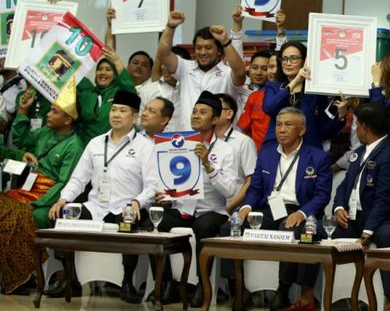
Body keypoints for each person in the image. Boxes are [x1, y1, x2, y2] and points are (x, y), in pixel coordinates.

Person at [49, 90, 157, 304]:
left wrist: (137, 201)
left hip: (125, 207)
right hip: (96, 206)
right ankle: (69, 276)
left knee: (130, 221)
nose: (116, 114)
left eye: (123, 111)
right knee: (63, 218)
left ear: (134, 117)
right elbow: (78, 179)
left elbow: (153, 185)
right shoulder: (96, 143)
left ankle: (127, 282)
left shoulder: (146, 147)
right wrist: (63, 199)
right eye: (114, 109)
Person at [150, 91, 241, 307]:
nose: (196, 116)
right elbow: (168, 182)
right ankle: (167, 283)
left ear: (216, 119)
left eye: (203, 112)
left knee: (204, 227)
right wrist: (165, 196)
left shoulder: (227, 150)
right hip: (183, 208)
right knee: (152, 224)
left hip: (212, 210)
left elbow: (229, 191)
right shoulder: (176, 145)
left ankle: (203, 284)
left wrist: (209, 166)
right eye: (194, 111)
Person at [238, 107, 332, 311]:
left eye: (288, 124)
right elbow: (255, 188)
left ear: (302, 129)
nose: (281, 129)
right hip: (270, 208)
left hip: (299, 209)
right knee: (231, 226)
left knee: (289, 229)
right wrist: (245, 206)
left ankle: (283, 290)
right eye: (279, 124)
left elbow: (322, 195)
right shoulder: (267, 154)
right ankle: (237, 289)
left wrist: (302, 213)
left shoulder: (317, 157)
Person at [0, 80, 83, 293]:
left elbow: (65, 183)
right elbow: (20, 139)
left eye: (54, 112)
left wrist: (37, 203)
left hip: (50, 197)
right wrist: (22, 112)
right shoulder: (46, 133)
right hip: (28, 189)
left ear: (68, 119)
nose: (48, 114)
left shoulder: (74, 146)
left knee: (25, 216)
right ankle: (12, 272)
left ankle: (21, 274)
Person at [332, 103, 390, 311]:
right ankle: (310, 295)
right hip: (352, 218)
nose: (355, 129)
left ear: (363, 127)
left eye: (356, 125)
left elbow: (385, 200)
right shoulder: (359, 152)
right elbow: (344, 185)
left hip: (381, 220)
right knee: (316, 231)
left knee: (386, 236)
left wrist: (366, 233)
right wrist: (338, 208)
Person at [156, 10, 246, 131]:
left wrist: (225, 41)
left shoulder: (227, 73)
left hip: (219, 141)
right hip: (187, 140)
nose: (202, 52)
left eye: (208, 48)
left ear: (219, 51)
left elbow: (240, 72)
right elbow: (163, 54)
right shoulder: (185, 67)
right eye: (198, 48)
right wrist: (170, 26)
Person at [261, 41, 345, 148]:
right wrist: (295, 81)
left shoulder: (315, 90)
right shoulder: (273, 86)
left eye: (294, 58)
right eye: (284, 59)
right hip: (276, 148)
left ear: (304, 61)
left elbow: (323, 131)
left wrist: (341, 115)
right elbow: (270, 108)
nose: (288, 63)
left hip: (308, 151)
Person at [75, 47, 137, 145]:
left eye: (108, 69)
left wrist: (116, 60)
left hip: (113, 145)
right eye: (100, 69)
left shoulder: (120, 93)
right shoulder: (87, 94)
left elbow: (130, 90)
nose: (103, 73)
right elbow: (73, 75)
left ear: (115, 74)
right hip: (87, 147)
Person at [215, 93, 256, 212]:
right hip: (202, 207)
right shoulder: (200, 141)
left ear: (229, 113)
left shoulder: (243, 142)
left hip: (231, 208)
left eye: (215, 108)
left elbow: (251, 180)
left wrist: (229, 207)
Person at [139, 46, 191, 133]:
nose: (165, 68)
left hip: (185, 142)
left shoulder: (190, 89)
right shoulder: (147, 90)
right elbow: (140, 121)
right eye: (164, 64)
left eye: (170, 65)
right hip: (154, 142)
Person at [237, 51, 274, 150]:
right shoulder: (238, 87)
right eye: (254, 67)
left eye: (264, 69)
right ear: (249, 68)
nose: (258, 73)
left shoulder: (279, 94)